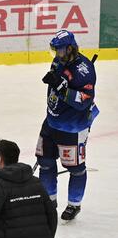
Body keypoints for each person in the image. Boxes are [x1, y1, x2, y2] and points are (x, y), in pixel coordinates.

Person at [36, 30, 99, 221]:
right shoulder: (58, 61)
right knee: (45, 163)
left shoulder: (84, 70)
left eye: (59, 50)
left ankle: (74, 204)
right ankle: (49, 201)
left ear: (70, 48)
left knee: (76, 168)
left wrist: (63, 89)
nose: (56, 54)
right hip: (51, 122)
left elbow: (84, 101)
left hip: (72, 127)